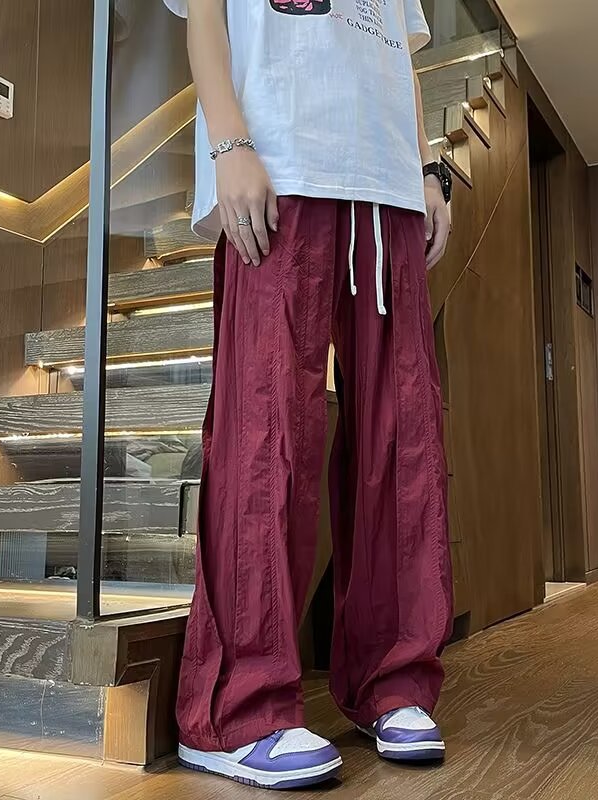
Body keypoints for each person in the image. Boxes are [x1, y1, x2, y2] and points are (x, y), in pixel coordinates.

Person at [165, 0, 454, 790]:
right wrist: (229, 144)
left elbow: (397, 52)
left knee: (402, 439)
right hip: (279, 163)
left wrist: (426, 170)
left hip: (388, 186)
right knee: (265, 435)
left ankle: (393, 681)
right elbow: (204, 14)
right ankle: (238, 707)